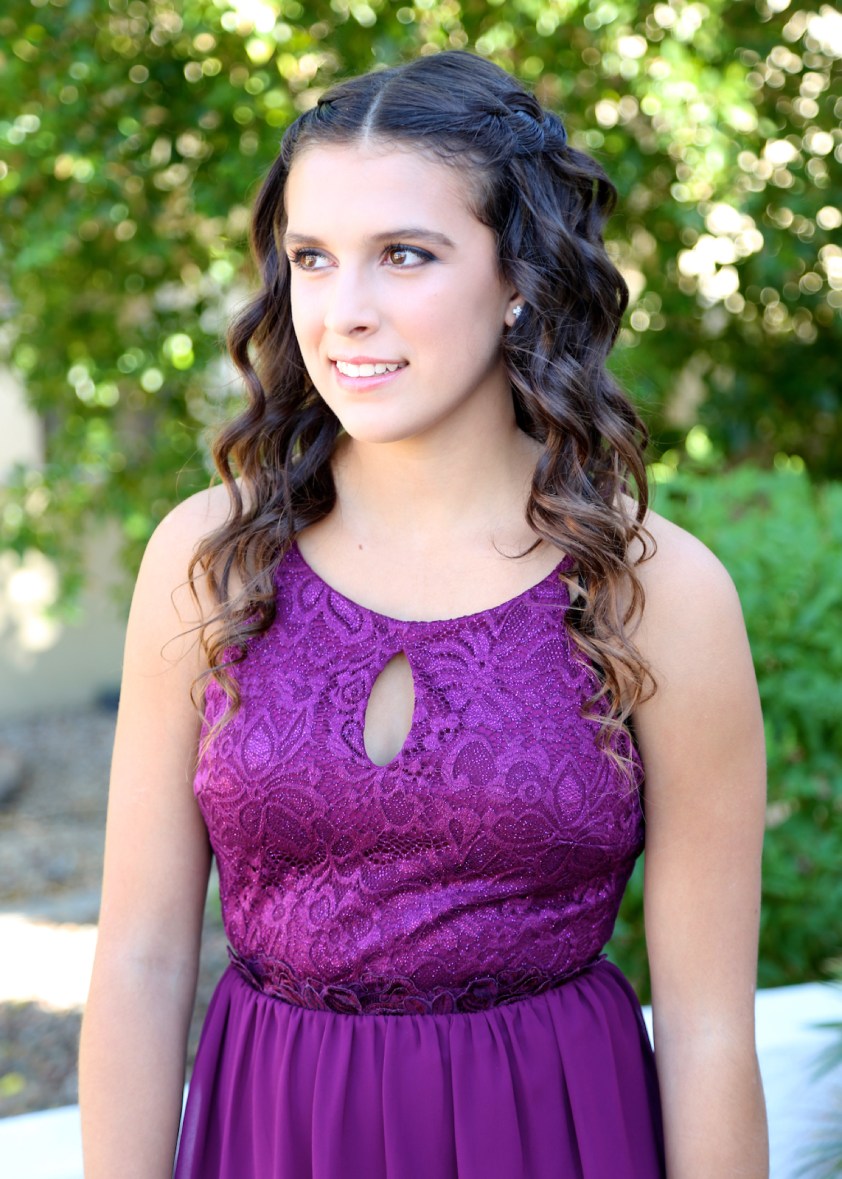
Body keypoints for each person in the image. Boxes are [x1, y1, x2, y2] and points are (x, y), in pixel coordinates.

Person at [78, 49, 769, 1179]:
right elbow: (142, 962)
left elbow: (706, 1030)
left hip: (551, 1137)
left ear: (518, 280)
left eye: (405, 255)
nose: (345, 312)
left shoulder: (654, 591)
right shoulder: (211, 559)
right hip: (278, 1137)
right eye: (312, 258)